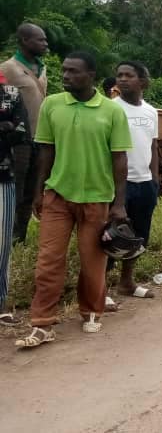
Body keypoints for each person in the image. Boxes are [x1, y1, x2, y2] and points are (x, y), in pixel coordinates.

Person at [16, 51, 133, 348]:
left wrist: (119, 203)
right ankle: (42, 323)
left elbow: (120, 159)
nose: (65, 76)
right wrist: (38, 192)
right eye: (64, 71)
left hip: (96, 198)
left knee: (92, 260)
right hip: (58, 195)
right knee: (48, 261)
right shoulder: (52, 105)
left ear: (90, 75)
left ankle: (91, 311)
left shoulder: (111, 111)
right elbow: (45, 151)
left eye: (73, 72)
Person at [108, 61, 159, 302]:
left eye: (129, 75)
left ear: (143, 82)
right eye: (119, 75)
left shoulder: (151, 111)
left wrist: (155, 181)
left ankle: (126, 283)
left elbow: (153, 146)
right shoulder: (110, 109)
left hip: (145, 183)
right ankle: (101, 290)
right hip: (118, 184)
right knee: (109, 236)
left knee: (138, 237)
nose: (122, 79)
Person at [0, 23, 49, 243]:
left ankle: (20, 235)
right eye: (40, 39)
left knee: (32, 188)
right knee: (15, 188)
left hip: (40, 138)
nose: (45, 43)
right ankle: (7, 233)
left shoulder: (42, 68)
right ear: (24, 41)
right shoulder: (8, 68)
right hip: (18, 140)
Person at [0, 72, 28, 326]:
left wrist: (9, 127)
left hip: (3, 176)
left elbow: (20, 133)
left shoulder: (10, 94)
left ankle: (1, 305)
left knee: (2, 245)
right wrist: (4, 125)